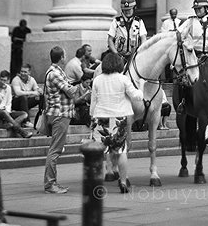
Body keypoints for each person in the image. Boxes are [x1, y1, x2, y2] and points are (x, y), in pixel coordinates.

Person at [89, 51, 143, 193]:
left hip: (100, 118)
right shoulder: (123, 79)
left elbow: (93, 102)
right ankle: (123, 182)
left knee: (97, 153)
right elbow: (136, 96)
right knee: (121, 151)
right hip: (119, 118)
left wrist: (91, 117)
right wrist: (141, 87)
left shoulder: (97, 80)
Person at [176, 0, 208, 115]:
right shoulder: (190, 21)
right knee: (186, 79)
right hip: (194, 56)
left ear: (206, 8)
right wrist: (187, 43)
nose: (197, 10)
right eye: (195, 8)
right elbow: (179, 33)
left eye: (199, 8)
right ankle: (184, 102)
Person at [43, 45, 81, 194]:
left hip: (60, 113)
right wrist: (80, 86)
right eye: (65, 55)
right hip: (60, 114)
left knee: (55, 149)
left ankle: (52, 183)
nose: (66, 57)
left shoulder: (56, 71)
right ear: (61, 58)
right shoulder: (54, 73)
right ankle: (50, 184)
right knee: (55, 150)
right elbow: (70, 91)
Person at [0, 70, 32, 137]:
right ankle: (22, 131)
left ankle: (10, 124)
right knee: (4, 112)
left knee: (24, 114)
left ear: (8, 80)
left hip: (5, 112)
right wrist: (2, 91)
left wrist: (8, 112)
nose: (2, 82)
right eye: (1, 80)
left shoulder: (8, 88)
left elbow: (9, 102)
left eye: (4, 80)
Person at [107, 0, 148, 64]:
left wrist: (140, 52)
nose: (127, 12)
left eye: (129, 9)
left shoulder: (139, 22)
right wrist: (116, 54)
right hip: (119, 56)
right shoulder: (116, 22)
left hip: (134, 56)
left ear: (134, 9)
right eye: (125, 10)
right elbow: (110, 40)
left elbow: (143, 38)